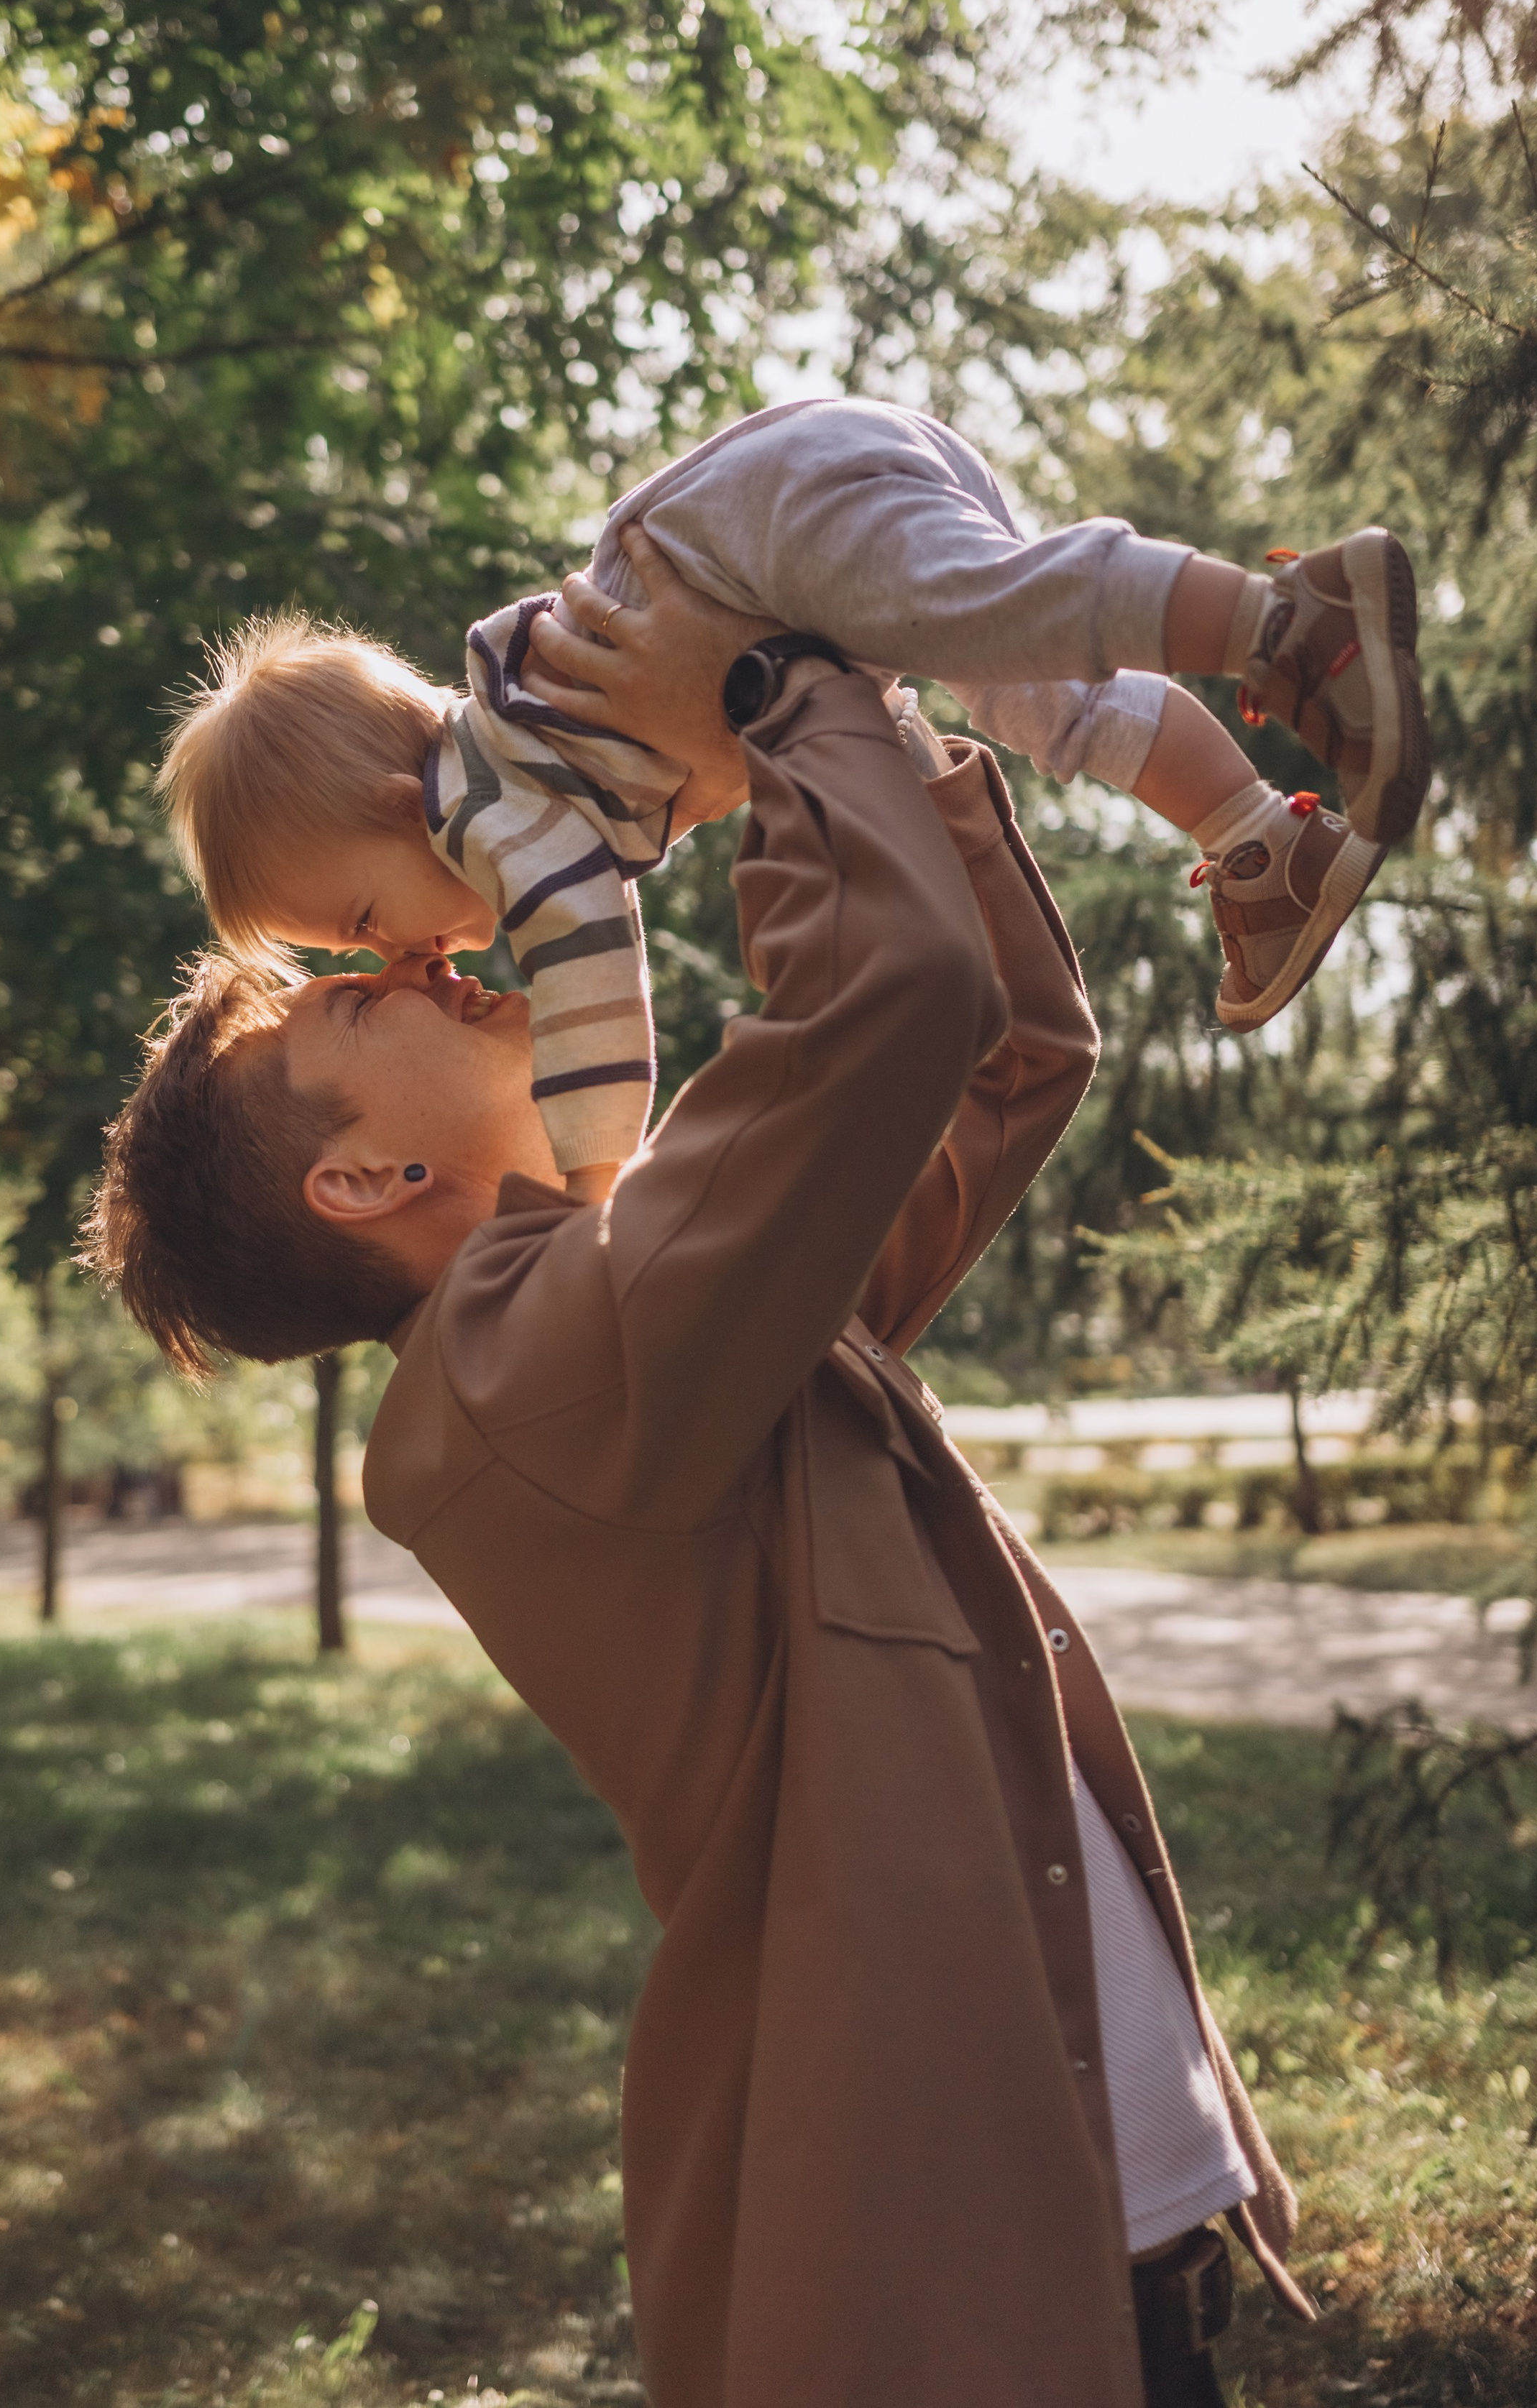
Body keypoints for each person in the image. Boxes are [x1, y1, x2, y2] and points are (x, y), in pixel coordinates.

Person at [87, 547, 1318, 2407]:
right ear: (356, 1183)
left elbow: (1001, 1061)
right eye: (358, 996)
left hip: (1101, 2161)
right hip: (967, 2204)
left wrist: (909, 731)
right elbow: (892, 998)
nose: (426, 951)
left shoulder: (631, 1311)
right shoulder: (539, 1375)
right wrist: (768, 691)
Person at [156, 397, 1429, 1198]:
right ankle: (1259, 840)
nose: (399, 959)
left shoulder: (492, 809)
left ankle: (1284, 623)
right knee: (1039, 700)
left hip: (762, 526)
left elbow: (593, 972)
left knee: (992, 609)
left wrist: (599, 1176)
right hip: (789, 555)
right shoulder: (527, 760)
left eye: (368, 921)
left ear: (398, 802)